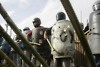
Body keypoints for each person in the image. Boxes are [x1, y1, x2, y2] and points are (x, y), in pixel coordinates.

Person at [89, 0, 100, 66]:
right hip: (95, 44)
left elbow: (88, 28)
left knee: (96, 63)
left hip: (95, 45)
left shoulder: (92, 15)